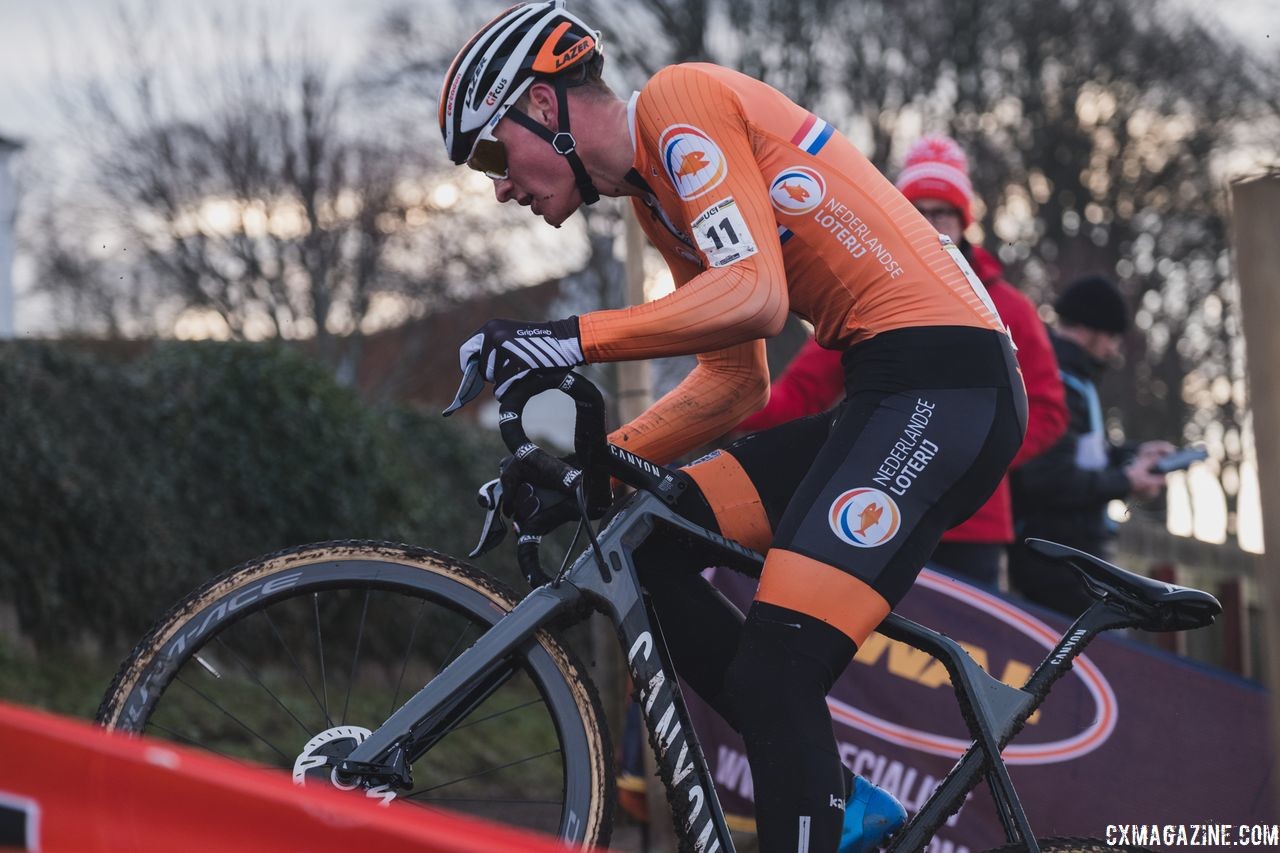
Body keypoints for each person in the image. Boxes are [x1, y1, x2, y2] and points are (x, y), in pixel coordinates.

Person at [439, 4, 1026, 850]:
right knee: (651, 539)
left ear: (542, 106)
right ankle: (836, 800)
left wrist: (563, 338)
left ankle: (814, 808)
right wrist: (594, 472)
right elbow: (736, 378)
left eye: (492, 152)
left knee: (777, 663)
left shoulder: (680, 103)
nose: (498, 184)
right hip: (888, 390)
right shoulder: (656, 201)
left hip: (945, 387)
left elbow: (756, 291)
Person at [737, 135, 1068, 588]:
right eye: (919, 210)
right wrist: (730, 405)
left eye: (943, 211)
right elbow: (802, 391)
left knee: (975, 649)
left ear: (964, 220)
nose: (932, 223)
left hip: (973, 524)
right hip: (879, 510)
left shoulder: (1009, 308)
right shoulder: (868, 297)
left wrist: (970, 453)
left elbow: (1049, 410)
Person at [1009, 274, 1172, 617]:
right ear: (1089, 330)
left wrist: (1133, 455)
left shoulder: (1072, 378)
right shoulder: (1062, 383)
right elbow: (1048, 477)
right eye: (1112, 335)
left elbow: (1082, 453)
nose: (1114, 348)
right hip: (1059, 564)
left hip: (1065, 559)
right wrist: (1127, 481)